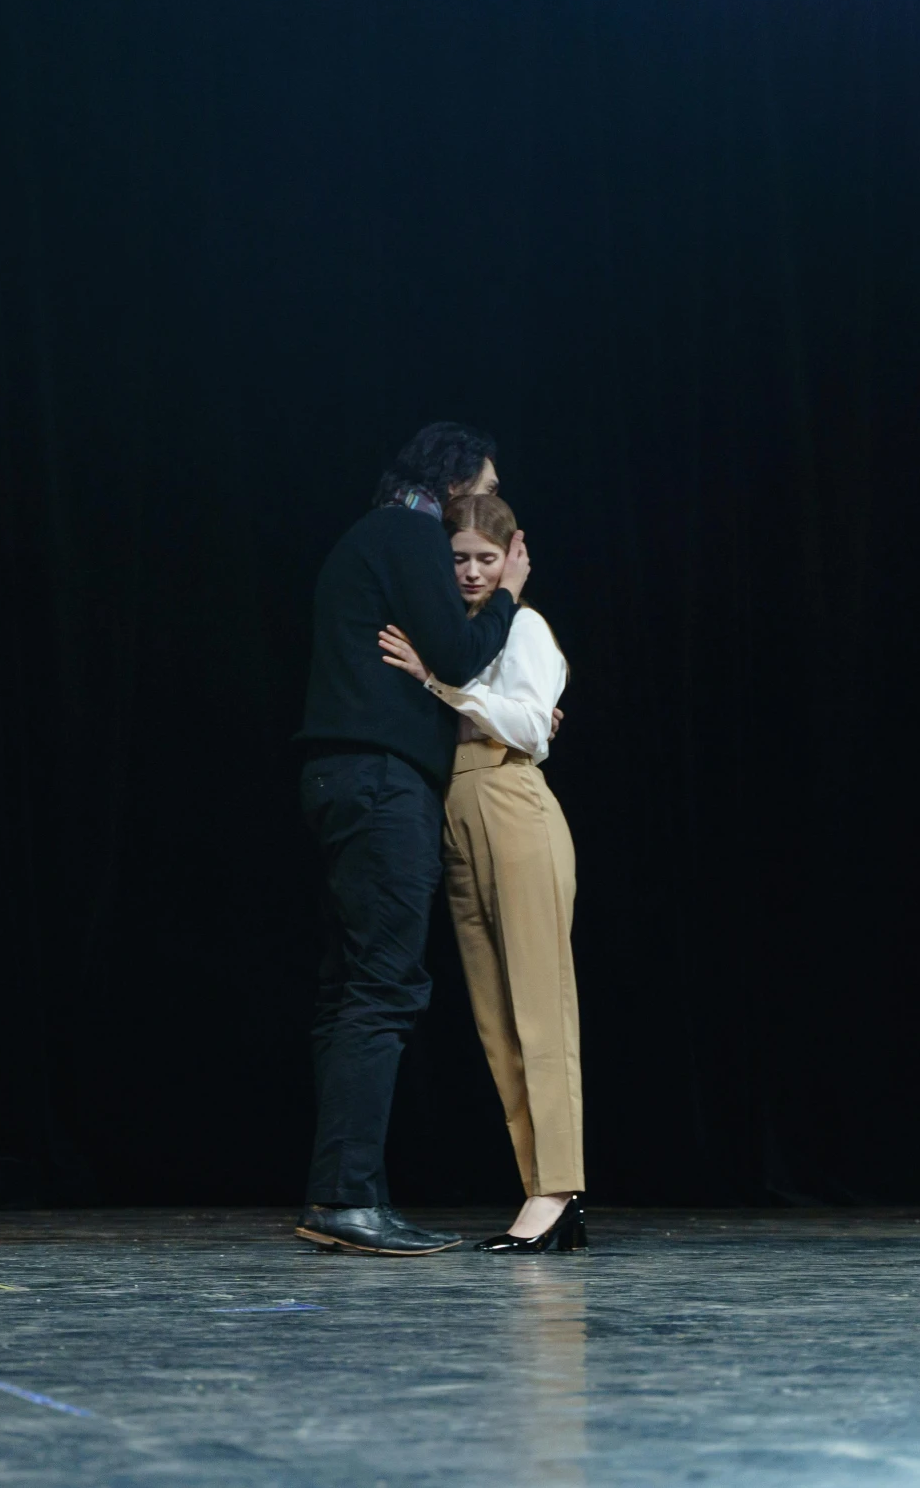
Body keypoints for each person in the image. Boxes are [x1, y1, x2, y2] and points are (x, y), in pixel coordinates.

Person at [292, 422, 531, 1255]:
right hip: (379, 785)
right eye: (487, 488)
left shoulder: (372, 536)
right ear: (456, 479)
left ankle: (342, 1192)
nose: (491, 506)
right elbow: (462, 654)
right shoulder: (406, 534)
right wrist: (509, 592)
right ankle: (347, 1199)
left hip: (339, 779)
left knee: (350, 989)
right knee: (383, 988)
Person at [377, 492, 584, 1253]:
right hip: (453, 808)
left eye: (485, 559)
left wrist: (440, 687)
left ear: (511, 559)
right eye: (458, 558)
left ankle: (558, 1190)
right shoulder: (449, 632)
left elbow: (531, 724)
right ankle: (542, 1189)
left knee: (539, 1006)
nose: (469, 572)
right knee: (497, 1020)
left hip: (510, 799)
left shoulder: (521, 625)